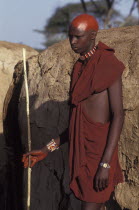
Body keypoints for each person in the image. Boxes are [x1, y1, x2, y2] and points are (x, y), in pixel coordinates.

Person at [22, 14, 125, 210]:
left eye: (78, 37)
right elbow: (77, 126)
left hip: (99, 157)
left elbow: (118, 116)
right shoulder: (79, 67)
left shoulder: (108, 64)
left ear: (93, 35)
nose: (72, 42)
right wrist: (46, 150)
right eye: (70, 36)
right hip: (81, 156)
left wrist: (105, 165)